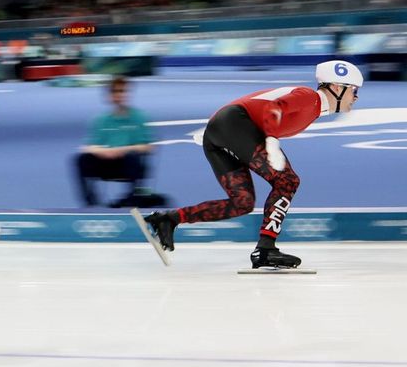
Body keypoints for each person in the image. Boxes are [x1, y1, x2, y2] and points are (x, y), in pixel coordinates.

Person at [137, 60, 362, 270]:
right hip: (233, 125)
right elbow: (273, 107)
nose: (357, 97)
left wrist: (216, 129)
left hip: (225, 129)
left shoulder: (313, 110)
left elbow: (256, 105)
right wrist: (271, 140)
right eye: (354, 90)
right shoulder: (309, 97)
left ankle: (169, 219)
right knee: (287, 180)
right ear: (337, 87)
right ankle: (265, 249)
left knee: (242, 202)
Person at [73, 76, 154, 207]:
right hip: (107, 163)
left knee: (132, 157)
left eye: (122, 91)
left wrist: (121, 150)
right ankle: (90, 201)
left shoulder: (138, 117)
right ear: (109, 96)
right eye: (115, 92)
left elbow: (147, 147)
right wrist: (105, 152)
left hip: (128, 164)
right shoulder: (101, 120)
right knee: (81, 159)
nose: (119, 95)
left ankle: (132, 198)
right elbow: (87, 147)